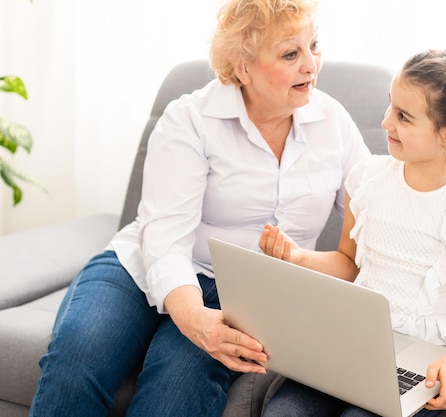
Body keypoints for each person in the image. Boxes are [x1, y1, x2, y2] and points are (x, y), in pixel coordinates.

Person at [28, 0, 371, 416]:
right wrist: (192, 316)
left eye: (314, 46)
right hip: (140, 266)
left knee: (175, 390)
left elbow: (373, 223)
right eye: (290, 54)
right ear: (242, 67)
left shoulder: (334, 125)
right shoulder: (190, 119)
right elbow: (164, 240)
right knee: (78, 357)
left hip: (243, 292)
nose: (311, 66)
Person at [259, 49, 446, 417]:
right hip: (361, 338)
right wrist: (297, 257)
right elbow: (349, 263)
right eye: (389, 107)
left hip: (430, 351)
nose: (385, 123)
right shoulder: (366, 178)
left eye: (403, 117)